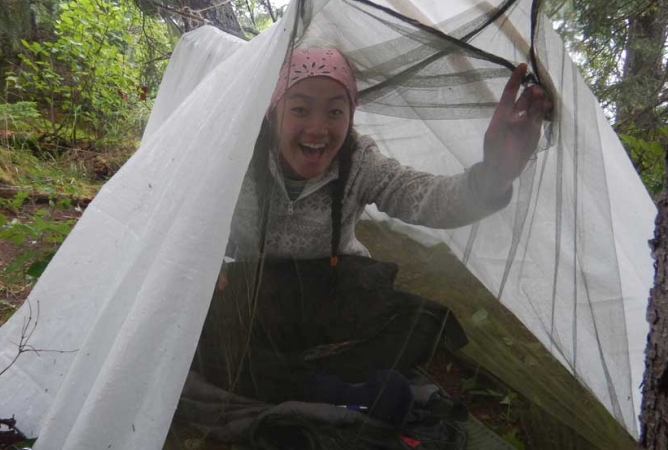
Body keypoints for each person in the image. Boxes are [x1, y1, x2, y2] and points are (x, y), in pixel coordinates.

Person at [193, 47, 550, 423]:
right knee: (204, 334)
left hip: (333, 292)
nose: (317, 129)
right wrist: (205, 261)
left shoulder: (360, 161)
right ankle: (344, 393)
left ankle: (302, 378)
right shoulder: (238, 155)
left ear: (351, 116)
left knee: (419, 322)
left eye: (335, 111)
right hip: (258, 295)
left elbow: (423, 198)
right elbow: (191, 212)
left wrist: (495, 175)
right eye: (299, 109)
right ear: (273, 111)